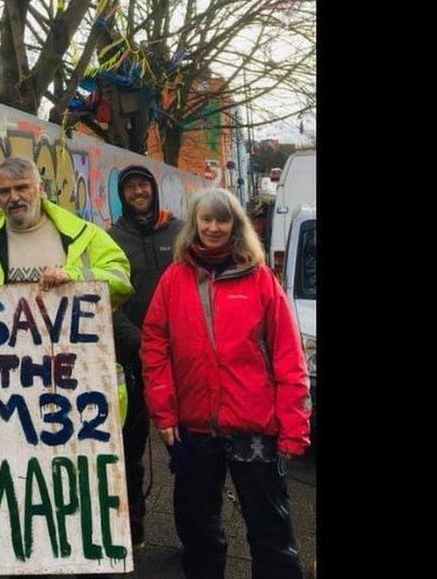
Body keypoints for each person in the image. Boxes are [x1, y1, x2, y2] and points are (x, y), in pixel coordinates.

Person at [142, 187, 310, 579]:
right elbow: (155, 345)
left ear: (236, 225)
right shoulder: (174, 279)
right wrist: (164, 412)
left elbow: (289, 357)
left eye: (223, 219)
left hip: (254, 428)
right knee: (199, 531)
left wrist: (293, 428)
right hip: (194, 427)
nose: (214, 227)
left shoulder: (261, 280)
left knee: (271, 534)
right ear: (195, 224)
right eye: (206, 219)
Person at [106, 164, 184, 548]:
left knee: (187, 452)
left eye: (143, 185)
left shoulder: (179, 231)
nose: (138, 191)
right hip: (133, 359)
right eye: (131, 187)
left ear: (153, 189)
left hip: (180, 360)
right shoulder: (110, 237)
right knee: (128, 451)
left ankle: (195, 530)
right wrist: (141, 344)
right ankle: (131, 526)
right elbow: (107, 301)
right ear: (123, 194)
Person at [0, 156, 132, 307]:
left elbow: (122, 280)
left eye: (22, 188)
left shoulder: (85, 234)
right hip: (6, 345)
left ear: (40, 188)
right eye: (4, 191)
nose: (14, 197)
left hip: (70, 345)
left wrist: (74, 276)